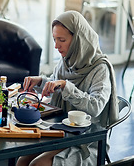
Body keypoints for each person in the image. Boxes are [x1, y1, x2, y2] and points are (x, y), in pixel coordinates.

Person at [18, 11, 118, 166]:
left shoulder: (100, 68)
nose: (56, 46)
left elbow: (96, 106)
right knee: (22, 160)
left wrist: (66, 86)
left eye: (61, 40)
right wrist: (40, 82)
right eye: (54, 39)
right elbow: (56, 84)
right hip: (63, 133)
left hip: (87, 142)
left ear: (78, 39)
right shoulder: (67, 60)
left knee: (38, 164)